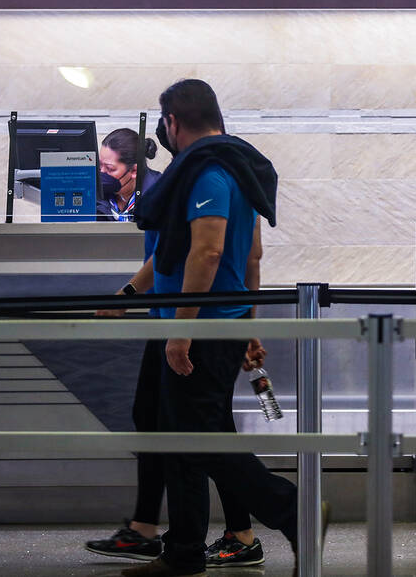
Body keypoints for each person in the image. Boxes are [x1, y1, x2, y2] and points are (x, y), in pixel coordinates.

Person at [117, 79, 317, 577]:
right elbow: (251, 257)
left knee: (200, 442)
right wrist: (248, 326)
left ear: (173, 123)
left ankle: (293, 511)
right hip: (213, 324)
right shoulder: (238, 167)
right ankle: (184, 552)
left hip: (199, 330)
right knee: (182, 442)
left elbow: (206, 252)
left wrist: (182, 333)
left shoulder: (206, 173)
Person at [84, 216, 271, 569]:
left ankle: (267, 518)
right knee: (155, 417)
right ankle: (150, 529)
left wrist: (131, 294)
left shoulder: (213, 180)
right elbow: (186, 253)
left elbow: (218, 254)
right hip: (179, 318)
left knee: (200, 429)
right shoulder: (206, 178)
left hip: (196, 322)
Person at [98, 128, 161, 221]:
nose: (102, 172)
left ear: (134, 170)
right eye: (99, 166)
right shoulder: (96, 194)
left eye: (110, 168)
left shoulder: (161, 196)